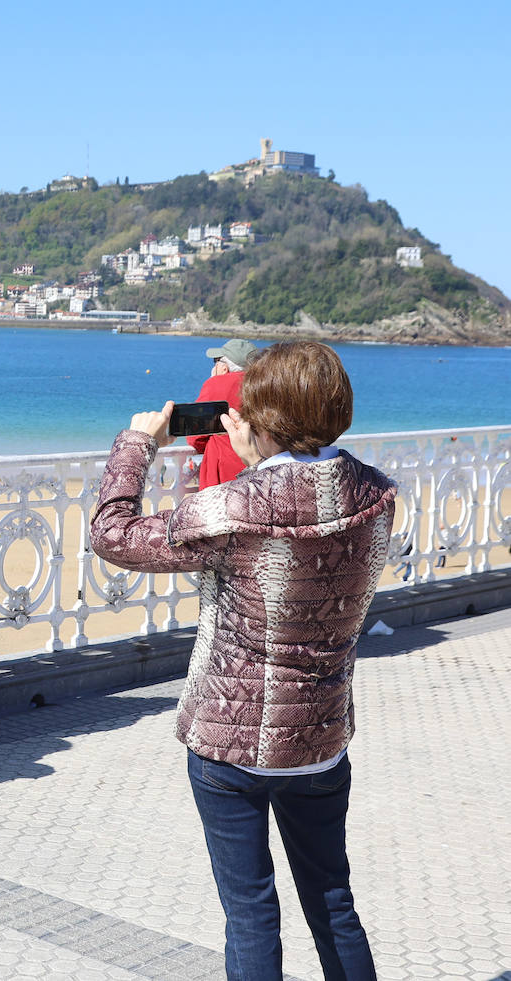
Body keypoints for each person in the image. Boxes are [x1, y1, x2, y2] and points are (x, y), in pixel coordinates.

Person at [89, 341, 394, 980]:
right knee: (334, 902)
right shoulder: (376, 495)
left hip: (229, 743)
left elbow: (113, 534)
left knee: (251, 914)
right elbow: (309, 497)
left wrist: (135, 446)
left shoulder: (235, 505)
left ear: (262, 418)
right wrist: (267, 452)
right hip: (319, 739)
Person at [187, 338, 258, 489]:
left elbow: (194, 436)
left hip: (224, 470)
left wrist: (215, 381)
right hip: (262, 465)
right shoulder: (266, 384)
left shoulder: (216, 384)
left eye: (216, 361)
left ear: (224, 368)